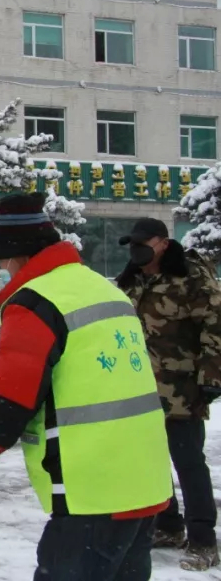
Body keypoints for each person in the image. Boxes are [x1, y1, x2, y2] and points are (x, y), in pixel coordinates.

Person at [0, 193, 172, 580]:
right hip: (144, 482)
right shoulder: (103, 289)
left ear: (19, 256)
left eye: (1, 261)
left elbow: (8, 411)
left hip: (92, 493)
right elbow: (87, 377)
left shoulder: (35, 302)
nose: (2, 270)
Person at [115, 217, 221, 571]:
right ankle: (170, 526)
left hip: (182, 387)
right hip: (140, 385)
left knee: (188, 463)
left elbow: (215, 323)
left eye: (143, 243)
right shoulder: (132, 277)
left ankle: (204, 540)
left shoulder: (191, 275)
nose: (136, 250)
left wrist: (211, 376)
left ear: (163, 242)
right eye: (133, 244)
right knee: (151, 459)